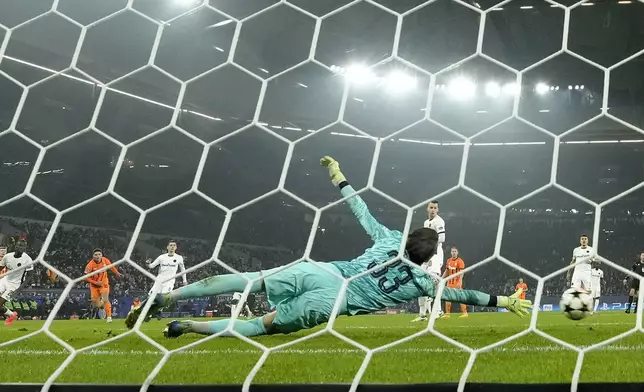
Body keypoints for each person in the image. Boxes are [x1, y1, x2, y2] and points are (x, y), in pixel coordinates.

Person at [125, 156, 532, 338]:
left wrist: (339, 176)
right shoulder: (422, 282)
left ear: (409, 238)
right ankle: (185, 326)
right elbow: (463, 293)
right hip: (331, 301)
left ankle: (168, 296)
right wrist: (505, 300)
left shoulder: (389, 238)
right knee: (259, 328)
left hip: (322, 271)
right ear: (429, 258)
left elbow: (360, 208)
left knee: (249, 281)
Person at [414, 201, 446, 321]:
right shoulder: (426, 223)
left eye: (435, 208)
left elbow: (442, 238)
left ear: (437, 210)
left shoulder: (439, 221)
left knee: (434, 283)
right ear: (427, 209)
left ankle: (438, 311)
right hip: (426, 256)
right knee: (420, 282)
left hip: (435, 255)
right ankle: (422, 314)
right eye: (431, 207)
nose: (433, 210)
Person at [84, 249, 123, 323]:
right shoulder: (89, 265)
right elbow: (86, 277)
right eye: (96, 255)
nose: (97, 256)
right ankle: (101, 304)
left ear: (102, 255)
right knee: (96, 304)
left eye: (99, 254)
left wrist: (117, 273)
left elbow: (111, 267)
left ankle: (109, 317)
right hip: (94, 286)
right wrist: (95, 282)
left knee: (105, 299)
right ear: (93, 256)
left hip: (104, 284)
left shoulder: (105, 260)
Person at [0, 240, 33, 326]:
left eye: (23, 246)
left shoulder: (28, 260)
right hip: (4, 280)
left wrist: (19, 289)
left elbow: (30, 276)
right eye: (19, 246)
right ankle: (11, 315)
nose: (21, 248)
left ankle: (11, 315)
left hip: (14, 285)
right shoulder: (7, 257)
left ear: (25, 248)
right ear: (16, 246)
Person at [443, 246, 467, 318]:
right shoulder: (448, 261)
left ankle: (465, 313)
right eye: (452, 251)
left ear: (457, 252)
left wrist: (460, 281)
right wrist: (441, 278)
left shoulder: (460, 261)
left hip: (457, 282)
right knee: (447, 298)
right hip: (449, 283)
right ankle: (447, 314)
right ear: (451, 252)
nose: (453, 253)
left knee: (460, 297)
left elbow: (461, 273)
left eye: (455, 251)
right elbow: (447, 271)